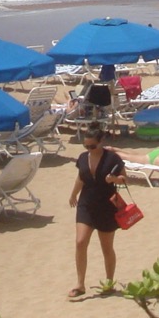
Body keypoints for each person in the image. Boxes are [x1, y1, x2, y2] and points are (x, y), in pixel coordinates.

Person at [68, 124, 128, 299]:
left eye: (92, 146)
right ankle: (80, 284)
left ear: (101, 141)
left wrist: (114, 179)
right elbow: (81, 177)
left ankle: (109, 282)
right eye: (86, 146)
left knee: (106, 247)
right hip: (86, 204)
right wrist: (73, 195)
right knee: (80, 242)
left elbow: (125, 179)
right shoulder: (82, 157)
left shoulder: (112, 158)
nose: (89, 149)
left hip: (107, 206)